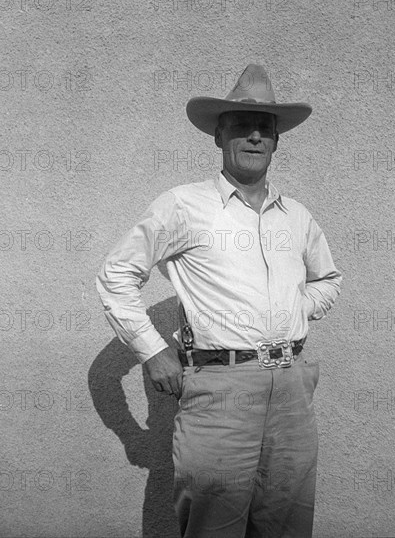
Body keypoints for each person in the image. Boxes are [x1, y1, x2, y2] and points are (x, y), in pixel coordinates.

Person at [96, 63, 342, 538]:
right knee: (214, 525)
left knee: (287, 523)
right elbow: (116, 276)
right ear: (218, 136)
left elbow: (328, 279)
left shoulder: (296, 216)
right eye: (240, 125)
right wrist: (151, 350)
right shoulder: (184, 205)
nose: (254, 136)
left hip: (293, 389)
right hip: (220, 391)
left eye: (264, 128)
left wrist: (296, 309)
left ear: (276, 140)